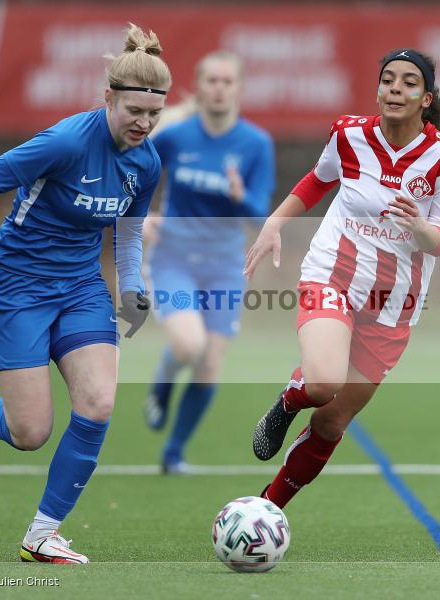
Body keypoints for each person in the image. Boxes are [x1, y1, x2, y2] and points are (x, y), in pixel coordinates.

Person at [0, 23, 171, 563]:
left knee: (99, 403)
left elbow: (128, 232)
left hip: (81, 288)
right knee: (30, 431)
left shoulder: (146, 162)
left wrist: (132, 288)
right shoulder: (67, 141)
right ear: (109, 98)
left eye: (154, 114)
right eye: (134, 111)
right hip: (17, 287)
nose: (144, 123)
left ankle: (42, 534)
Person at [244, 48, 440, 509]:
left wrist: (419, 227)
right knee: (322, 383)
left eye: (409, 82)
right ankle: (288, 402)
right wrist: (274, 223)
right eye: (388, 80)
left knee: (330, 422)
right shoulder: (349, 134)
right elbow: (318, 180)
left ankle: (268, 509)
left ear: (426, 98)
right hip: (333, 275)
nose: (395, 89)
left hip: (393, 304)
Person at [142, 51, 275, 474]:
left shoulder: (256, 144)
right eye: (211, 80)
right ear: (199, 87)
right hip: (173, 258)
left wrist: (241, 197)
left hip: (224, 266)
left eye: (227, 81)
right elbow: (132, 173)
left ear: (239, 89)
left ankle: (174, 452)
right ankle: (163, 381)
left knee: (209, 365)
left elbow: (260, 215)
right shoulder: (175, 137)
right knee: (188, 345)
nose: (219, 88)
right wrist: (140, 216)